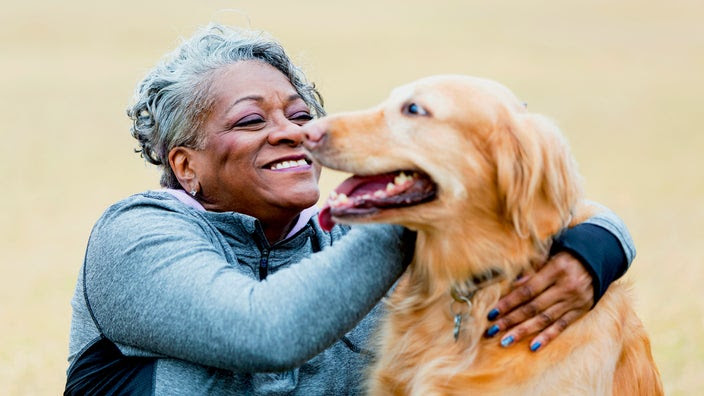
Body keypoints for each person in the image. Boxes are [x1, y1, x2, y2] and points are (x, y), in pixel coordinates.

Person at [65, 24, 635, 395]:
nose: (294, 133)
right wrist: (411, 205)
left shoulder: (346, 230)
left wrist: (601, 244)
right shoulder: (137, 236)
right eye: (250, 120)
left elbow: (526, 198)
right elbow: (267, 331)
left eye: (298, 113)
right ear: (186, 166)